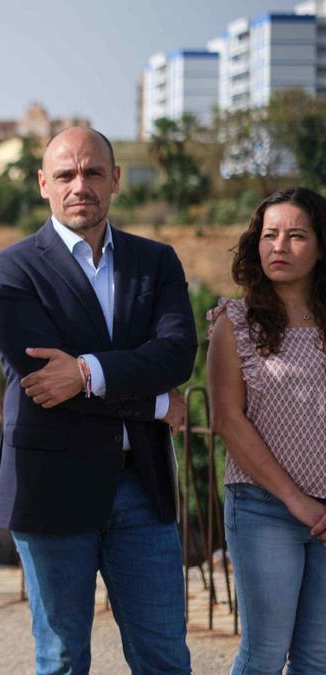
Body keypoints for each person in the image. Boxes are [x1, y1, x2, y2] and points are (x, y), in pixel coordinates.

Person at [0, 127, 197, 674]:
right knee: (61, 659)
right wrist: (151, 404)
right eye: (65, 175)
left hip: (141, 491)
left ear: (115, 178)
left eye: (93, 171)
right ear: (42, 184)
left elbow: (175, 357)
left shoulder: (157, 262)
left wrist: (85, 370)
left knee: (165, 658)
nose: (81, 185)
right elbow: (43, 384)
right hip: (50, 491)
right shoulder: (11, 270)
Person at [207, 187, 326, 674]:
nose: (279, 246)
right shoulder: (235, 322)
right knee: (264, 654)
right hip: (264, 510)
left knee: (318, 658)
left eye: (296, 236)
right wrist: (298, 501)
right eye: (269, 234)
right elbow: (226, 421)